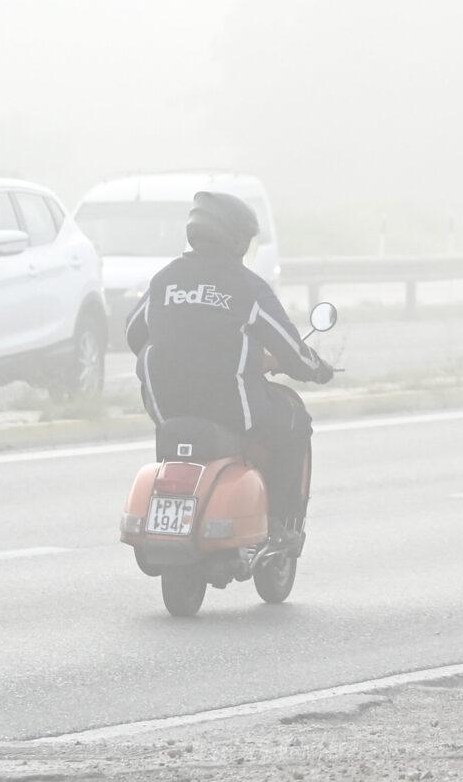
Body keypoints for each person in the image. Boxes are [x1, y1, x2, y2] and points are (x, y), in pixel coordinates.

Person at [127, 190, 332, 536]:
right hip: (231, 409)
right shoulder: (246, 287)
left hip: (167, 409)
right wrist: (317, 369)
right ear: (236, 238)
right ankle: (282, 526)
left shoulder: (164, 280)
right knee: (295, 422)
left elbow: (134, 334)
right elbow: (290, 349)